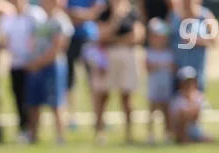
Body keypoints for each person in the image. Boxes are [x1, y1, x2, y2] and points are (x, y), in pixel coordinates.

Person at [94, 0, 143, 143]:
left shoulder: (133, 13)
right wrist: (115, 18)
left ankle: (129, 134)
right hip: (107, 58)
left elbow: (136, 36)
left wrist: (114, 39)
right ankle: (100, 132)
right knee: (102, 96)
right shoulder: (104, 13)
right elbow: (102, 35)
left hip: (128, 56)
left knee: (127, 97)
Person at [27, 0, 72, 143]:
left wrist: (38, 63)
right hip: (38, 66)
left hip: (53, 66)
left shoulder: (60, 21)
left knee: (56, 102)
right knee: (33, 103)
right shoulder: (40, 20)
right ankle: (32, 135)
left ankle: (60, 136)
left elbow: (58, 47)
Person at [1, 0, 46, 140]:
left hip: (33, 64)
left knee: (33, 100)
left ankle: (34, 130)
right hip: (16, 64)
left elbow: (41, 38)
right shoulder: (8, 17)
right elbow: (4, 40)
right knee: (18, 97)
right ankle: (23, 129)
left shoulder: (36, 15)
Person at [65, 0, 106, 129]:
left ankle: (98, 118)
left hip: (89, 39)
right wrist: (83, 15)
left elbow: (98, 10)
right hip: (70, 39)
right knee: (70, 81)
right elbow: (62, 10)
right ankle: (71, 118)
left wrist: (78, 15)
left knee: (93, 80)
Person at [169, 0, 215, 93]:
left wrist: (195, 41)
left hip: (197, 67)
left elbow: (214, 40)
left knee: (197, 97)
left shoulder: (205, 15)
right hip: (177, 67)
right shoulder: (173, 15)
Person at [145, 17, 175, 143]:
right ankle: (150, 134)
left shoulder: (169, 52)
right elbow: (147, 67)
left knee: (166, 110)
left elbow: (173, 67)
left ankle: (167, 133)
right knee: (152, 110)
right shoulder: (149, 52)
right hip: (154, 86)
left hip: (166, 87)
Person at [169, 64, 210, 142]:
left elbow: (198, 116)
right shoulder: (177, 99)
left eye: (191, 81)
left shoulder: (199, 96)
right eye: (186, 82)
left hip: (195, 129)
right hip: (180, 130)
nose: (188, 85)